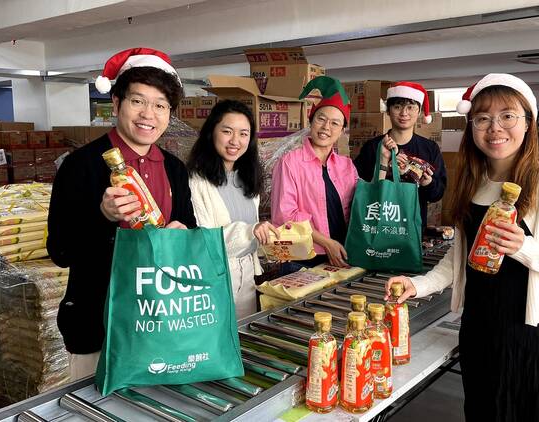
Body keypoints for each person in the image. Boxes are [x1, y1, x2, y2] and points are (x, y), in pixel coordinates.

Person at [385, 74, 539, 421]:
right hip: (480, 331)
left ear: (528, 123)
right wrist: (418, 285)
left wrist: (525, 248)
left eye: (507, 116)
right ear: (471, 126)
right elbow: (460, 259)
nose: (495, 128)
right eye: (483, 118)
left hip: (534, 338)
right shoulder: (473, 182)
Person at [47, 48, 196, 381]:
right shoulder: (80, 165)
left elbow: (190, 226)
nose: (149, 114)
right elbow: (59, 251)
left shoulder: (174, 168)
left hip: (160, 318)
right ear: (116, 103)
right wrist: (102, 215)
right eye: (138, 101)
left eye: (160, 105)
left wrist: (181, 230)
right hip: (98, 322)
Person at [187, 99, 279, 319]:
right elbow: (204, 239)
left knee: (242, 338)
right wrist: (251, 230)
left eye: (243, 134)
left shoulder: (248, 177)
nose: (235, 141)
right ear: (211, 132)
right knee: (215, 340)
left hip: (246, 274)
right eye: (227, 131)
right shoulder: (196, 181)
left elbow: (253, 230)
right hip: (214, 277)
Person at [271, 76, 359, 269]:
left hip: (342, 254)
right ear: (311, 121)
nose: (326, 127)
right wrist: (327, 243)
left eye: (335, 123)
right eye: (321, 119)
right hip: (304, 257)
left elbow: (358, 209)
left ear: (342, 130)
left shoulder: (347, 166)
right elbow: (285, 215)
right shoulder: (290, 163)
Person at [354, 81, 446, 234]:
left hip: (414, 227)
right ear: (388, 111)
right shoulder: (372, 147)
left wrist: (427, 183)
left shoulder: (429, 148)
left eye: (410, 107)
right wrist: (386, 169)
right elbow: (357, 186)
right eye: (397, 107)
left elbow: (437, 194)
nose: (404, 113)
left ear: (419, 111)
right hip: (376, 227)